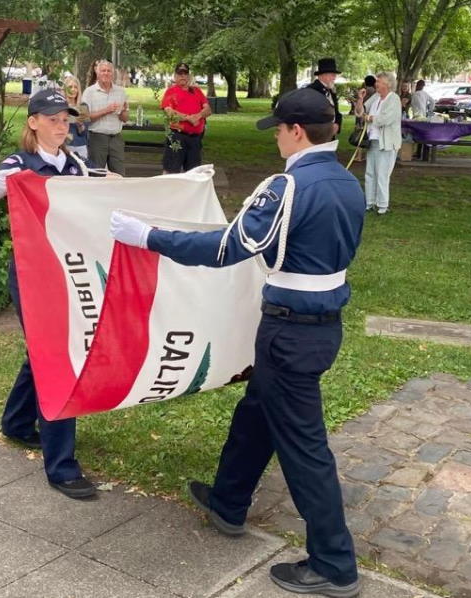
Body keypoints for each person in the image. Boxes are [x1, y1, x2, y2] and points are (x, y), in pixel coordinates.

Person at [110, 87, 364, 598]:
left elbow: (229, 247)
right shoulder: (347, 180)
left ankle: (335, 563)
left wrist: (148, 236)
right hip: (320, 324)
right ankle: (229, 500)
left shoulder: (289, 186)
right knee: (257, 413)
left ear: (295, 131)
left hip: (290, 329)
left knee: (304, 448)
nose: (275, 138)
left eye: (277, 129)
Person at [0, 89, 101, 500]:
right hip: (33, 274)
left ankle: (15, 423)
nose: (61, 125)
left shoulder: (74, 163)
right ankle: (61, 466)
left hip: (68, 269)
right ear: (33, 122)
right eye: (52, 119)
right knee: (57, 357)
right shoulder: (19, 163)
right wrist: (0, 184)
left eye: (65, 118)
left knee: (44, 352)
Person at [355, 71, 401, 215]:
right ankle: (369, 202)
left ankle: (382, 205)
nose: (376, 84)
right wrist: (360, 100)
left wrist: (369, 118)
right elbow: (360, 112)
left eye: (379, 81)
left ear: (387, 84)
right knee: (370, 173)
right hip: (373, 140)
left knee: (382, 174)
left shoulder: (394, 99)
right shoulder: (375, 97)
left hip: (386, 142)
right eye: (377, 81)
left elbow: (386, 119)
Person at [160, 62, 212, 173]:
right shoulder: (171, 91)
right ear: (175, 76)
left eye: (185, 73)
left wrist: (197, 116)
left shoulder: (197, 91)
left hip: (195, 139)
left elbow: (208, 110)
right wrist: (188, 118)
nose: (183, 76)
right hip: (177, 136)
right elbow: (169, 113)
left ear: (189, 76)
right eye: (180, 73)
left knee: (193, 173)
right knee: (171, 171)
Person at [81, 59, 128, 176]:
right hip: (97, 138)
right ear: (97, 73)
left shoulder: (121, 92)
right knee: (97, 174)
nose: (106, 73)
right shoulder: (89, 92)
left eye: (109, 71)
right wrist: (106, 110)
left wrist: (122, 111)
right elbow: (84, 118)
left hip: (116, 138)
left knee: (119, 174)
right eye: (103, 71)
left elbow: (125, 118)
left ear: (112, 73)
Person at [308, 57, 343, 134]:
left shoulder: (331, 90)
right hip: (317, 136)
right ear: (322, 75)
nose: (334, 78)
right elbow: (310, 114)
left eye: (335, 75)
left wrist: (337, 124)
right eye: (332, 75)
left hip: (330, 136)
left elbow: (336, 111)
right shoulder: (312, 90)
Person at [63, 74, 90, 159]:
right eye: (70, 87)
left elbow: (84, 133)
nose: (73, 90)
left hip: (80, 146)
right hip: (64, 145)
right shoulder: (60, 105)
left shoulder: (83, 106)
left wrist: (80, 125)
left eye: (75, 87)